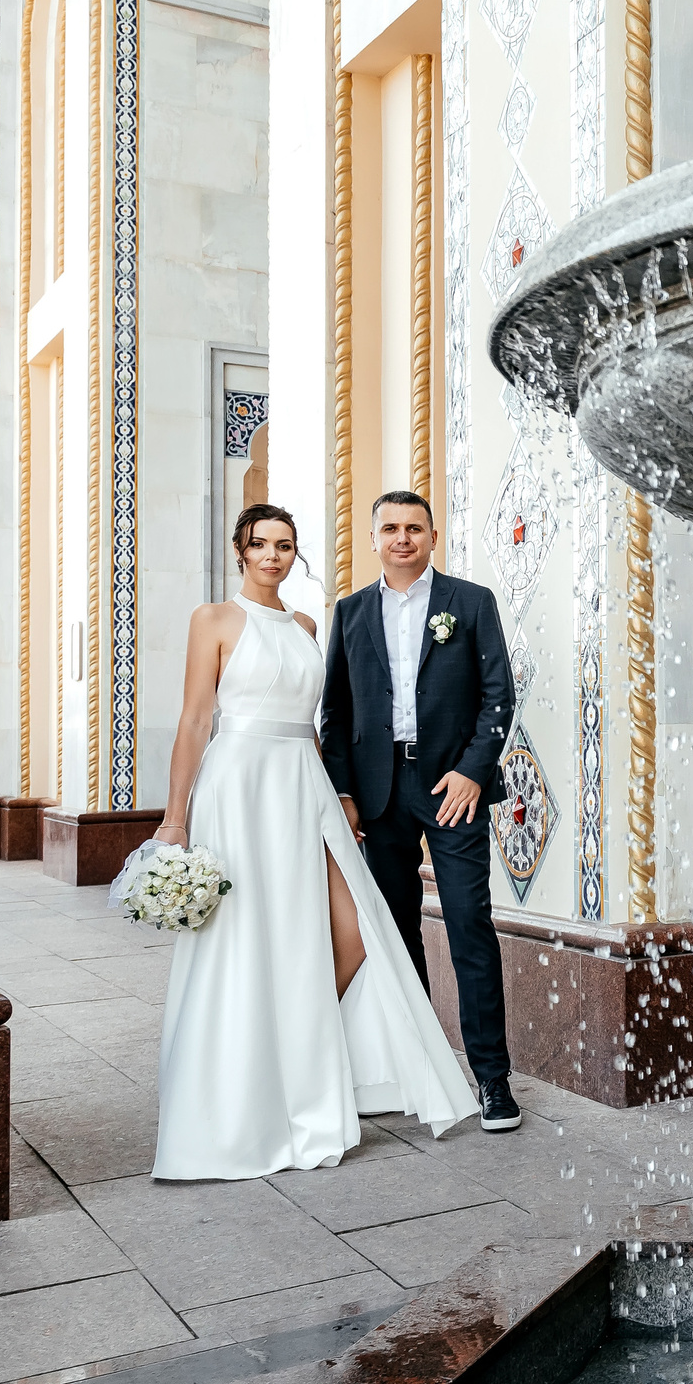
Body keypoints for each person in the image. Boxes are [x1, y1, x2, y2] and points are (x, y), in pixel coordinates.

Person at [150, 505, 478, 1180]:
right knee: (243, 938)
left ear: (295, 556)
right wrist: (175, 818)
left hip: (306, 784)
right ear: (240, 551)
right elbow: (193, 721)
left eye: (285, 546)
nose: (273, 556)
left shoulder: (305, 625)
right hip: (239, 785)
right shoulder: (212, 619)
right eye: (261, 545)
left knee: (353, 931)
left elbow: (324, 720)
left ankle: (285, 1057)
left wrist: (341, 793)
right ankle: (241, 1089)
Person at [321, 490, 523, 1132]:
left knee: (469, 926)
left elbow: (499, 694)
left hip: (451, 787)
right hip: (379, 796)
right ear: (373, 539)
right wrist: (347, 794)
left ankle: (493, 1081)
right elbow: (337, 710)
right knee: (397, 935)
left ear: (433, 537)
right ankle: (420, 1069)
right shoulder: (350, 612)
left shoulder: (470, 602)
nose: (402, 538)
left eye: (414, 528)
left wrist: (472, 770)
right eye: (390, 528)